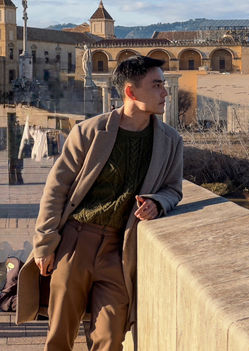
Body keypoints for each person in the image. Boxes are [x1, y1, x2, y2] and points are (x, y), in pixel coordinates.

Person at [16, 56, 183, 351]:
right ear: (131, 92)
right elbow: (57, 188)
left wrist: (158, 202)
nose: (165, 93)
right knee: (59, 335)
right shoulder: (90, 132)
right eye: (157, 85)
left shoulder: (170, 141)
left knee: (109, 338)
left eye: (164, 85)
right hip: (75, 242)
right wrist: (44, 243)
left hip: (119, 250)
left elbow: (173, 189)